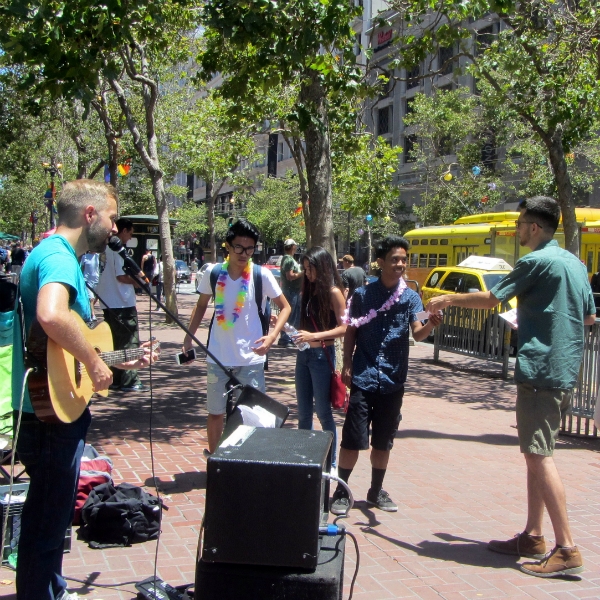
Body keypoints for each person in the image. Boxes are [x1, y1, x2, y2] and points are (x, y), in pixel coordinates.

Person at [426, 196, 595, 577]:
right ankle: (533, 536)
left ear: (534, 228)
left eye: (520, 224)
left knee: (539, 455)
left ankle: (566, 547)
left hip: (540, 371)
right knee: (537, 450)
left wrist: (449, 298)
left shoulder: (535, 261)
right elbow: (588, 317)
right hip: (565, 369)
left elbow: (490, 298)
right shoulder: (575, 263)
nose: (517, 230)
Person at [12, 179, 157, 600]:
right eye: (112, 217)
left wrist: (113, 360)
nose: (115, 228)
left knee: (50, 514)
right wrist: (94, 361)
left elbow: (63, 345)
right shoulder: (59, 258)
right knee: (47, 517)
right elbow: (52, 317)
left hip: (51, 404)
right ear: (89, 213)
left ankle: (51, 588)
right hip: (52, 415)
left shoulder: (52, 254)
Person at [330, 235, 441, 514]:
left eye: (404, 259)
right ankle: (341, 492)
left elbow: (418, 332)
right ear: (380, 262)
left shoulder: (411, 298)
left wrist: (432, 324)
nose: (401, 264)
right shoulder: (363, 295)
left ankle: (376, 491)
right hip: (364, 376)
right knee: (353, 438)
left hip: (393, 379)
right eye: (395, 259)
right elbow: (351, 330)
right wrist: (347, 363)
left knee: (383, 440)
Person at [182, 219, 291, 454]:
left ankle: (245, 462)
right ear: (228, 247)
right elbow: (201, 306)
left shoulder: (261, 275)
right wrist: (188, 338)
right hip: (217, 356)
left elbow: (285, 307)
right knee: (215, 412)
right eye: (239, 247)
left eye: (250, 248)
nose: (244, 253)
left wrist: (272, 337)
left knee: (251, 414)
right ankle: (215, 461)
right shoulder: (213, 273)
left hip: (251, 358)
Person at [293, 247, 347, 467]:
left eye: (310, 269)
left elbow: (345, 328)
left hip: (321, 356)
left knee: (323, 412)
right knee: (303, 412)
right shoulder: (307, 291)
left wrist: (315, 335)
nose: (307, 273)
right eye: (305, 269)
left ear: (322, 267)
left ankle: (330, 462)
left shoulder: (333, 292)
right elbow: (303, 327)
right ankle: (305, 458)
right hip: (304, 355)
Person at [95, 217, 145, 392]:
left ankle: (115, 378)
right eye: (129, 233)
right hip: (121, 302)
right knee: (129, 341)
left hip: (107, 301)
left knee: (114, 341)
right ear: (123, 231)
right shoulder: (118, 251)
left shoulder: (103, 250)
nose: (130, 238)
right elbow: (121, 276)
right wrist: (139, 282)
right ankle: (129, 380)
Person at [278, 238, 303, 348]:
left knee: (294, 316)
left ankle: (290, 338)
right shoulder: (288, 259)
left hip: (294, 291)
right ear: (292, 247)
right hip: (290, 291)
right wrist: (303, 273)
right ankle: (285, 338)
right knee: (291, 316)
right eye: (295, 246)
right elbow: (290, 276)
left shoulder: (289, 259)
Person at [80, 251, 100, 321]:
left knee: (97, 296)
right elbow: (81, 268)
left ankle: (89, 309)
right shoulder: (84, 257)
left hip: (97, 280)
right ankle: (93, 315)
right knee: (91, 298)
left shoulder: (98, 256)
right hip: (87, 280)